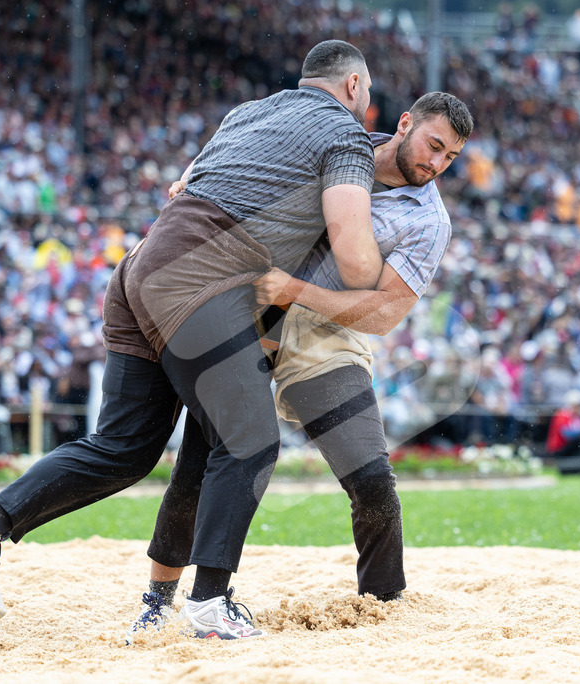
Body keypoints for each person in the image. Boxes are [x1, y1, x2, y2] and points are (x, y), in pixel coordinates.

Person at [0, 40, 381, 640]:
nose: (366, 103)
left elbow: (180, 186)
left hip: (142, 266)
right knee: (249, 441)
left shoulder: (247, 114)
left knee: (125, 447)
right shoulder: (345, 136)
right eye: (367, 93)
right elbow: (355, 264)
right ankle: (210, 603)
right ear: (352, 86)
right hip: (198, 278)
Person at [130, 92, 473, 639]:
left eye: (450, 158)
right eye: (434, 146)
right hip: (248, 311)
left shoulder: (429, 222)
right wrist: (193, 174)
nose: (436, 165)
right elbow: (247, 147)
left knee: (373, 481)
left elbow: (385, 313)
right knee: (200, 461)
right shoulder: (340, 142)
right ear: (405, 124)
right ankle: (158, 599)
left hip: (327, 335)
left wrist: (298, 291)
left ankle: (382, 609)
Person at [545, 389, 580, 459]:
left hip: (569, 447)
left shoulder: (579, 416)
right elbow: (566, 434)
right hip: (559, 449)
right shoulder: (562, 415)